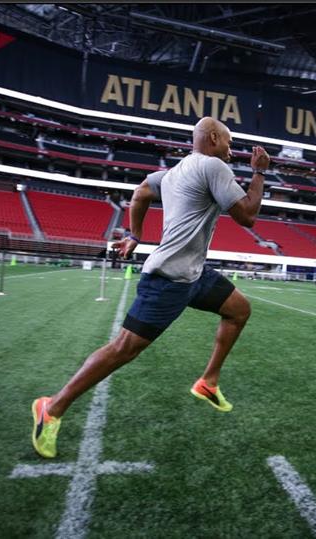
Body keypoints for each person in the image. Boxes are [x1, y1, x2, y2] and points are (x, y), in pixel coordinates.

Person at [30, 117, 271, 458]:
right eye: (229, 143)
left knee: (239, 310)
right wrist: (259, 173)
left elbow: (140, 192)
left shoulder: (173, 174)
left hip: (194, 274)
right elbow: (247, 215)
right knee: (123, 349)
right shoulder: (213, 166)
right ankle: (51, 407)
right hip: (169, 279)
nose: (232, 151)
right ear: (214, 138)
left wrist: (134, 235)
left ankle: (208, 382)